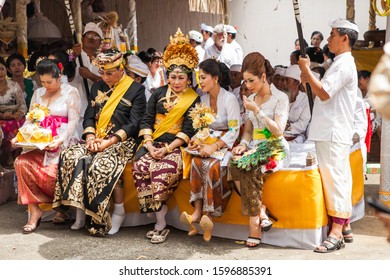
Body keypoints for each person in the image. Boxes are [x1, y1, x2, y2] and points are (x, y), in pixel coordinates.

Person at [52, 49, 146, 235]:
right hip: (96, 138)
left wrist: (107, 142)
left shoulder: (136, 90)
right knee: (70, 155)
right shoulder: (98, 87)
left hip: (122, 140)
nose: (104, 77)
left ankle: (117, 211)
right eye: (102, 72)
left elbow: (134, 124)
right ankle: (79, 210)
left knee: (103, 163)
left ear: (121, 69)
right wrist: (90, 137)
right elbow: (89, 116)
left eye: (109, 73)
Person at [132, 28, 200, 244]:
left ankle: (160, 224)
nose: (177, 81)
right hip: (153, 143)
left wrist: (167, 150)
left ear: (189, 79)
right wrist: (150, 146)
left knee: (161, 170)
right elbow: (146, 120)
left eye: (181, 77)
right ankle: (158, 217)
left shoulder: (193, 99)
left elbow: (189, 130)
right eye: (173, 77)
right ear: (167, 76)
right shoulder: (158, 94)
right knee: (141, 166)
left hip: (176, 146)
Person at [298, 18, 359, 253]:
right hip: (328, 129)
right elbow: (321, 92)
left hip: (334, 131)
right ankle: (344, 226)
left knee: (336, 180)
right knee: (335, 178)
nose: (329, 38)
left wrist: (306, 70)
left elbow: (324, 93)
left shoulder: (344, 64)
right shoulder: (338, 63)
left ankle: (336, 232)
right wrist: (309, 78)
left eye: (333, 34)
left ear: (344, 39)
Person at [13, 59, 81, 233]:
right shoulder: (38, 94)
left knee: (53, 171)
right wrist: (18, 135)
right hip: (39, 141)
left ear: (59, 77)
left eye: (49, 82)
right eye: (42, 82)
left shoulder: (71, 92)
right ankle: (35, 211)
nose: (46, 85)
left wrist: (60, 140)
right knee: (21, 162)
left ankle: (61, 207)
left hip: (62, 139)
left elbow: (73, 122)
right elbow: (30, 119)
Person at [228, 52, 289, 248]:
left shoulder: (280, 98)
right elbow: (248, 130)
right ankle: (261, 211)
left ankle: (254, 224)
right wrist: (242, 145)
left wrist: (257, 111)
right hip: (254, 147)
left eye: (251, 80)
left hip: (274, 147)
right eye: (245, 81)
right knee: (233, 163)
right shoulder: (251, 98)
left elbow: (278, 131)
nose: (247, 85)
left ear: (263, 77)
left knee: (249, 167)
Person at [180, 59, 240, 242]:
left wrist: (215, 145)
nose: (200, 81)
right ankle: (197, 212)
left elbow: (234, 129)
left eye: (203, 77)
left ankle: (210, 216)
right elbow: (201, 128)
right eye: (199, 77)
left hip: (225, 143)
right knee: (197, 162)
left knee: (213, 166)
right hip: (207, 142)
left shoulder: (229, 99)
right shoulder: (203, 99)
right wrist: (195, 141)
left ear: (215, 78)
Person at [70, 22, 102, 134]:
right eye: (88, 35)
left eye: (96, 36)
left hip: (96, 110)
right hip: (76, 109)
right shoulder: (73, 54)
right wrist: (73, 55)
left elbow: (109, 83)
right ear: (82, 39)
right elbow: (63, 67)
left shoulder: (104, 60)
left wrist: (91, 76)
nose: (92, 38)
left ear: (100, 43)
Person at [0, 57, 27, 168]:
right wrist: (2, 115)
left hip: (15, 118)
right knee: (4, 126)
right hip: (1, 119)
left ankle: (17, 155)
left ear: (6, 70)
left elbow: (23, 105)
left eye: (1, 69)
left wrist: (19, 113)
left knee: (22, 124)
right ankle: (6, 156)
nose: (0, 73)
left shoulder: (14, 86)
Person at [282, 65, 311, 143]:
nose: (284, 83)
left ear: (297, 82)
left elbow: (302, 124)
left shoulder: (305, 100)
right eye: (283, 80)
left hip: (297, 137)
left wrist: (287, 127)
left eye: (287, 80)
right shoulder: (280, 97)